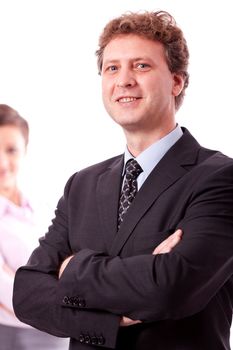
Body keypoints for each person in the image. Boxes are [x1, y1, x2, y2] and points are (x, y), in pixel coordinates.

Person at [13, 10, 233, 350]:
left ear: (177, 81)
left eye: (141, 66)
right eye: (112, 68)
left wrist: (71, 269)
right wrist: (112, 319)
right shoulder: (81, 185)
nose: (124, 79)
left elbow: (171, 288)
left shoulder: (219, 177)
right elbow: (27, 294)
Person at [0, 104, 68, 349]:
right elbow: (7, 292)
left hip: (58, 336)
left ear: (24, 150)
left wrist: (22, 279)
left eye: (11, 150)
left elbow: (72, 266)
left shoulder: (45, 206)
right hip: (12, 337)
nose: (3, 162)